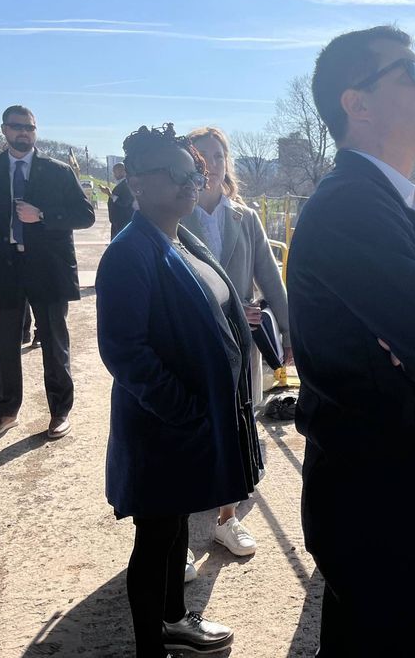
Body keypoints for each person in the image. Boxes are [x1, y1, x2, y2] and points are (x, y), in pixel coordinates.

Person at [287, 25, 415, 657]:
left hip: (388, 497)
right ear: (358, 103)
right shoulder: (352, 208)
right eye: (412, 71)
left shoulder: (390, 204)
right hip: (383, 514)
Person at [96, 124, 262, 657]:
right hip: (162, 428)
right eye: (176, 173)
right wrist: (186, 409)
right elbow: (125, 352)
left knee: (171, 534)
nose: (192, 181)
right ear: (137, 184)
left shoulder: (179, 238)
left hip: (189, 427)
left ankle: (172, 620)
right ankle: (153, 644)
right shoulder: (130, 253)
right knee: (154, 538)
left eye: (195, 171)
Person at [182, 125, 291, 559]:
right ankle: (179, 536)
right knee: (191, 429)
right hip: (189, 344)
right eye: (201, 155)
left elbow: (270, 277)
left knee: (236, 427)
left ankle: (227, 519)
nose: (210, 163)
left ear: (228, 163)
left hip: (240, 345)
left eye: (218, 155)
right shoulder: (173, 213)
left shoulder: (245, 218)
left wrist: (287, 333)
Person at [0, 105, 94, 440]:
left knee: (54, 342)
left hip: (48, 268)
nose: (23, 133)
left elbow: (85, 214)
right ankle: (5, 411)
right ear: (4, 130)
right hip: (2, 270)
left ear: (35, 130)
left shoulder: (58, 171)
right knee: (3, 344)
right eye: (16, 127)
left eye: (29, 127)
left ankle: (60, 412)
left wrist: (43, 215)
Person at [107, 161, 135, 239]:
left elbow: (124, 202)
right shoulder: (121, 184)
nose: (114, 174)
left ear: (123, 171)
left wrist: (110, 194)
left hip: (123, 222)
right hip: (117, 222)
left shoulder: (127, 184)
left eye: (115, 171)